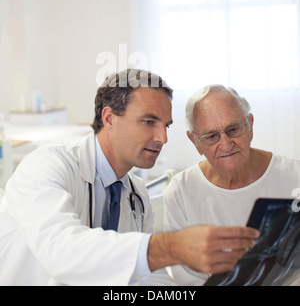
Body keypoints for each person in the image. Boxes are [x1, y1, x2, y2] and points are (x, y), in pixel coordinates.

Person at [0, 72, 258, 286]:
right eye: (148, 122)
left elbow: (145, 278)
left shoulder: (137, 195)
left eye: (165, 125)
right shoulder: (47, 166)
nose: (162, 138)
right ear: (109, 118)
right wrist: (171, 247)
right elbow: (60, 251)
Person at [163, 84, 300, 285]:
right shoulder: (180, 191)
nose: (226, 145)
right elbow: (186, 277)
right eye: (211, 136)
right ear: (194, 141)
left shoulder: (295, 176)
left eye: (233, 129)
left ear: (250, 125)